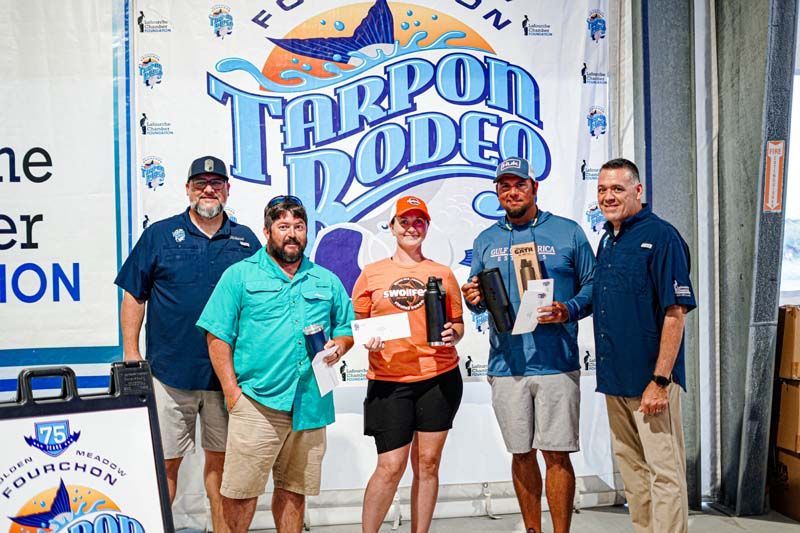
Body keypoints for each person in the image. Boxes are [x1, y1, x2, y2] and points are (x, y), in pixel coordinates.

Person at [114, 155, 260, 532]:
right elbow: (134, 294)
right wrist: (132, 354)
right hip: (169, 375)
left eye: (216, 183)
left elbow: (263, 303)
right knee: (164, 465)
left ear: (228, 189)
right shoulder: (159, 235)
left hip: (227, 378)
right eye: (200, 183)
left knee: (224, 469)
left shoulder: (246, 241)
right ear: (187, 189)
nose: (208, 190)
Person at [197, 196, 355, 533]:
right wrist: (232, 393)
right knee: (240, 495)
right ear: (267, 231)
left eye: (299, 227)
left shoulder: (325, 279)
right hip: (257, 403)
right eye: (283, 227)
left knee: (294, 491)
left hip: (311, 403)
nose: (292, 234)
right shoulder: (239, 275)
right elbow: (217, 336)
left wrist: (341, 344)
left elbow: (345, 326)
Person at [461, 157, 595, 533]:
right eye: (504, 186)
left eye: (519, 184)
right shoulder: (486, 240)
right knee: (521, 454)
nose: (512, 191)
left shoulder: (568, 232)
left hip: (557, 362)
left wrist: (567, 310)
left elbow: (593, 287)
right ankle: (533, 529)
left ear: (534, 187)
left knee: (557, 455)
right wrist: (472, 296)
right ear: (497, 193)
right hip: (507, 364)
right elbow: (478, 296)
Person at [593, 158, 696, 533]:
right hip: (615, 379)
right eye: (603, 189)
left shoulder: (662, 237)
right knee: (633, 471)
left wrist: (661, 380)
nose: (608, 196)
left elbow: (675, 313)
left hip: (650, 383)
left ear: (638, 191)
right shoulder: (608, 239)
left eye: (617, 189)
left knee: (664, 473)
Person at [352, 196, 464, 533]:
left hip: (438, 377)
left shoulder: (442, 273)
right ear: (392, 227)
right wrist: (365, 338)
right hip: (389, 381)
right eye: (405, 221)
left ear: (427, 228)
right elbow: (355, 325)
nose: (411, 227)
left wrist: (452, 335)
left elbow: (457, 324)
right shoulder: (371, 274)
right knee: (390, 466)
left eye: (419, 221)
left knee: (427, 464)